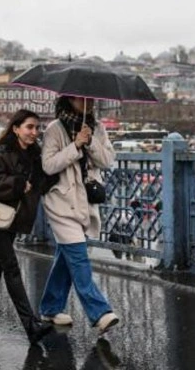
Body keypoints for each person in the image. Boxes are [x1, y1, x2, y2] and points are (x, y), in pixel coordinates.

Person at [38, 95, 120, 334]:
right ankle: (100, 312)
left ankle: (50, 308)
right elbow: (48, 165)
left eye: (91, 99)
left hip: (85, 201)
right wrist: (74, 146)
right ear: (69, 99)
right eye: (82, 98)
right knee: (78, 255)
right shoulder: (55, 129)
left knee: (67, 255)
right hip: (61, 201)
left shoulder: (98, 127)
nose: (89, 102)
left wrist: (90, 141)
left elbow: (108, 160)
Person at [0, 109, 54, 344]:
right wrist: (18, 184)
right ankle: (31, 326)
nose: (34, 132)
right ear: (16, 128)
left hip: (10, 219)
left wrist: (74, 153)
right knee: (11, 267)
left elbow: (44, 183)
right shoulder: (1, 152)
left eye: (37, 128)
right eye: (29, 127)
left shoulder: (35, 155)